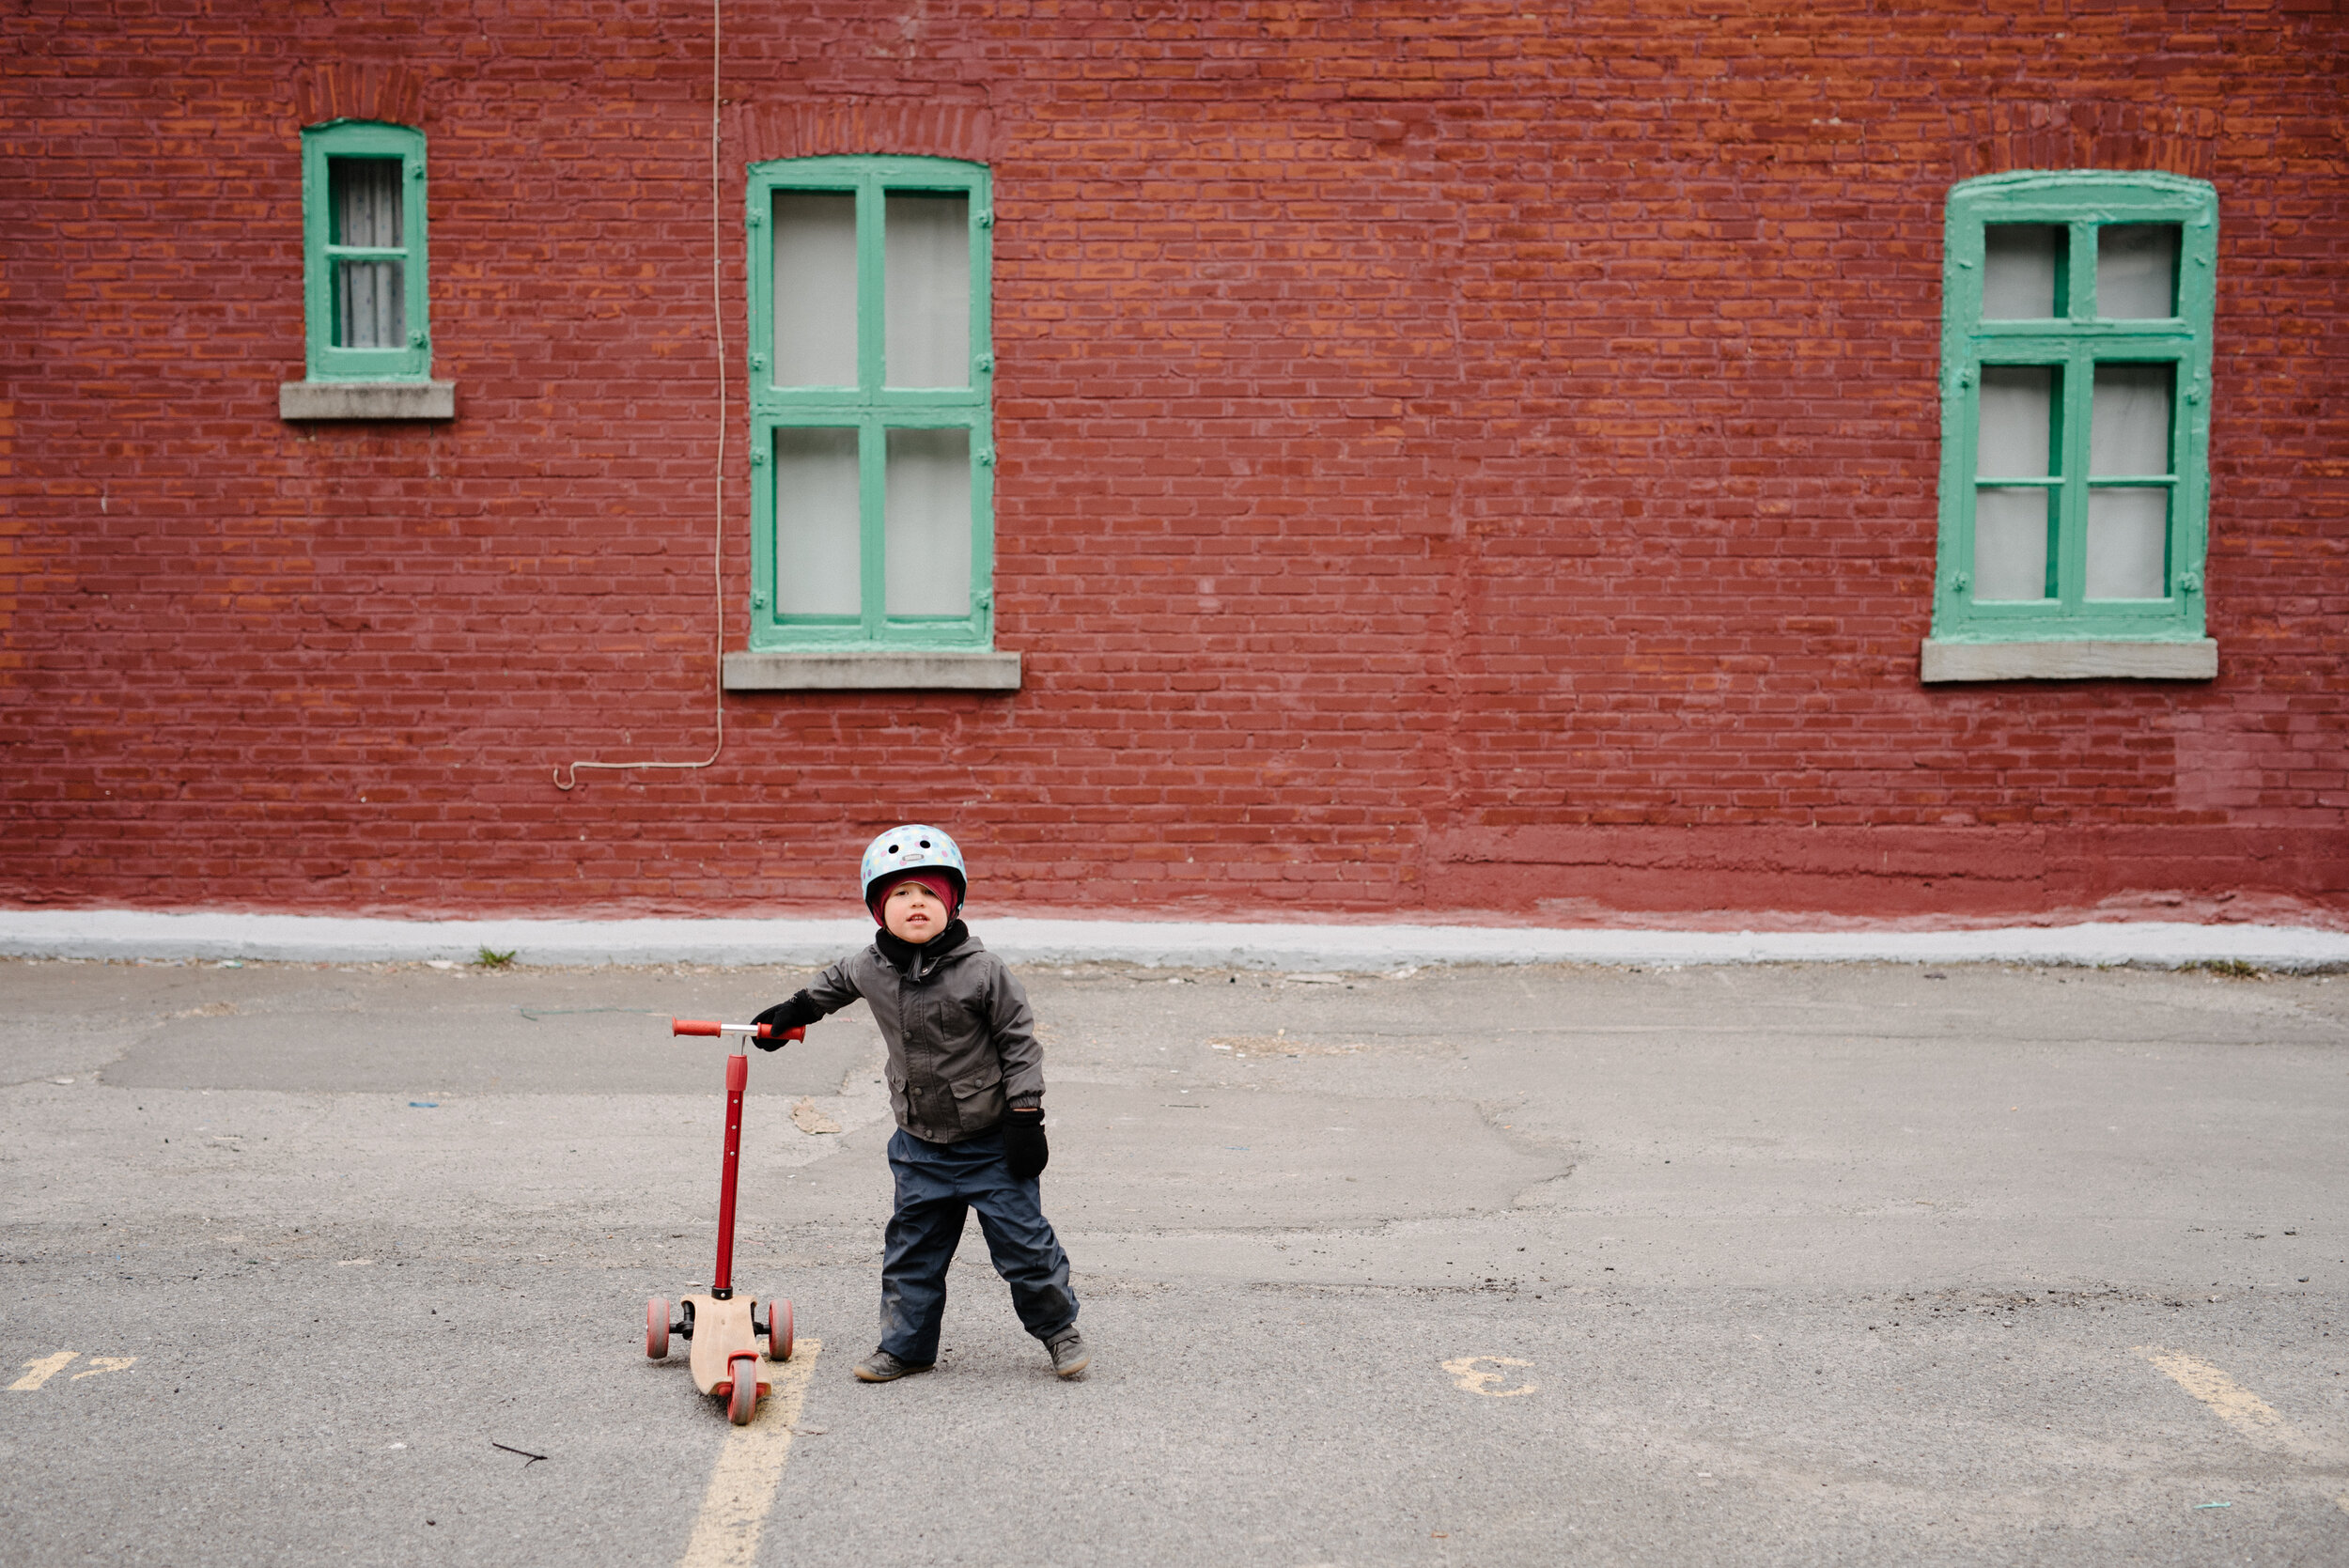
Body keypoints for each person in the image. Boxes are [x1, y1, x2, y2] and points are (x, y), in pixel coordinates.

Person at [752, 825, 1087, 1382]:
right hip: (919, 1147)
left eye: (930, 893)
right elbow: (830, 986)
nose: (916, 905)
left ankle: (1059, 1332)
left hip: (991, 1146)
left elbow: (1019, 1042)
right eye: (901, 894)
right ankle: (906, 1347)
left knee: (1026, 1249)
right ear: (878, 908)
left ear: (952, 903)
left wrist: (1026, 1115)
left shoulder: (984, 971)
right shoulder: (870, 965)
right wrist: (792, 1010)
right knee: (913, 1253)